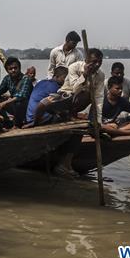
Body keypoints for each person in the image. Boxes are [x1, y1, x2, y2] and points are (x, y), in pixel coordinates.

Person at [41, 49, 105, 177]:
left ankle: (66, 164)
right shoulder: (74, 67)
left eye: (99, 62)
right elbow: (75, 89)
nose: (97, 65)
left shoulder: (100, 75)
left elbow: (99, 98)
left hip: (80, 103)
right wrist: (85, 75)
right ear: (86, 60)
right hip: (65, 99)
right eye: (94, 62)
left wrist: (98, 120)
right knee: (83, 92)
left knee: (92, 98)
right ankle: (69, 115)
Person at [0, 57, 34, 127]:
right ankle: (7, 123)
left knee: (19, 103)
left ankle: (18, 124)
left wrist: (4, 103)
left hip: (26, 107)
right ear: (7, 70)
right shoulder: (7, 78)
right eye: (10, 69)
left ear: (19, 68)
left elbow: (21, 96)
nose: (13, 70)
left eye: (15, 68)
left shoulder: (26, 79)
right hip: (14, 105)